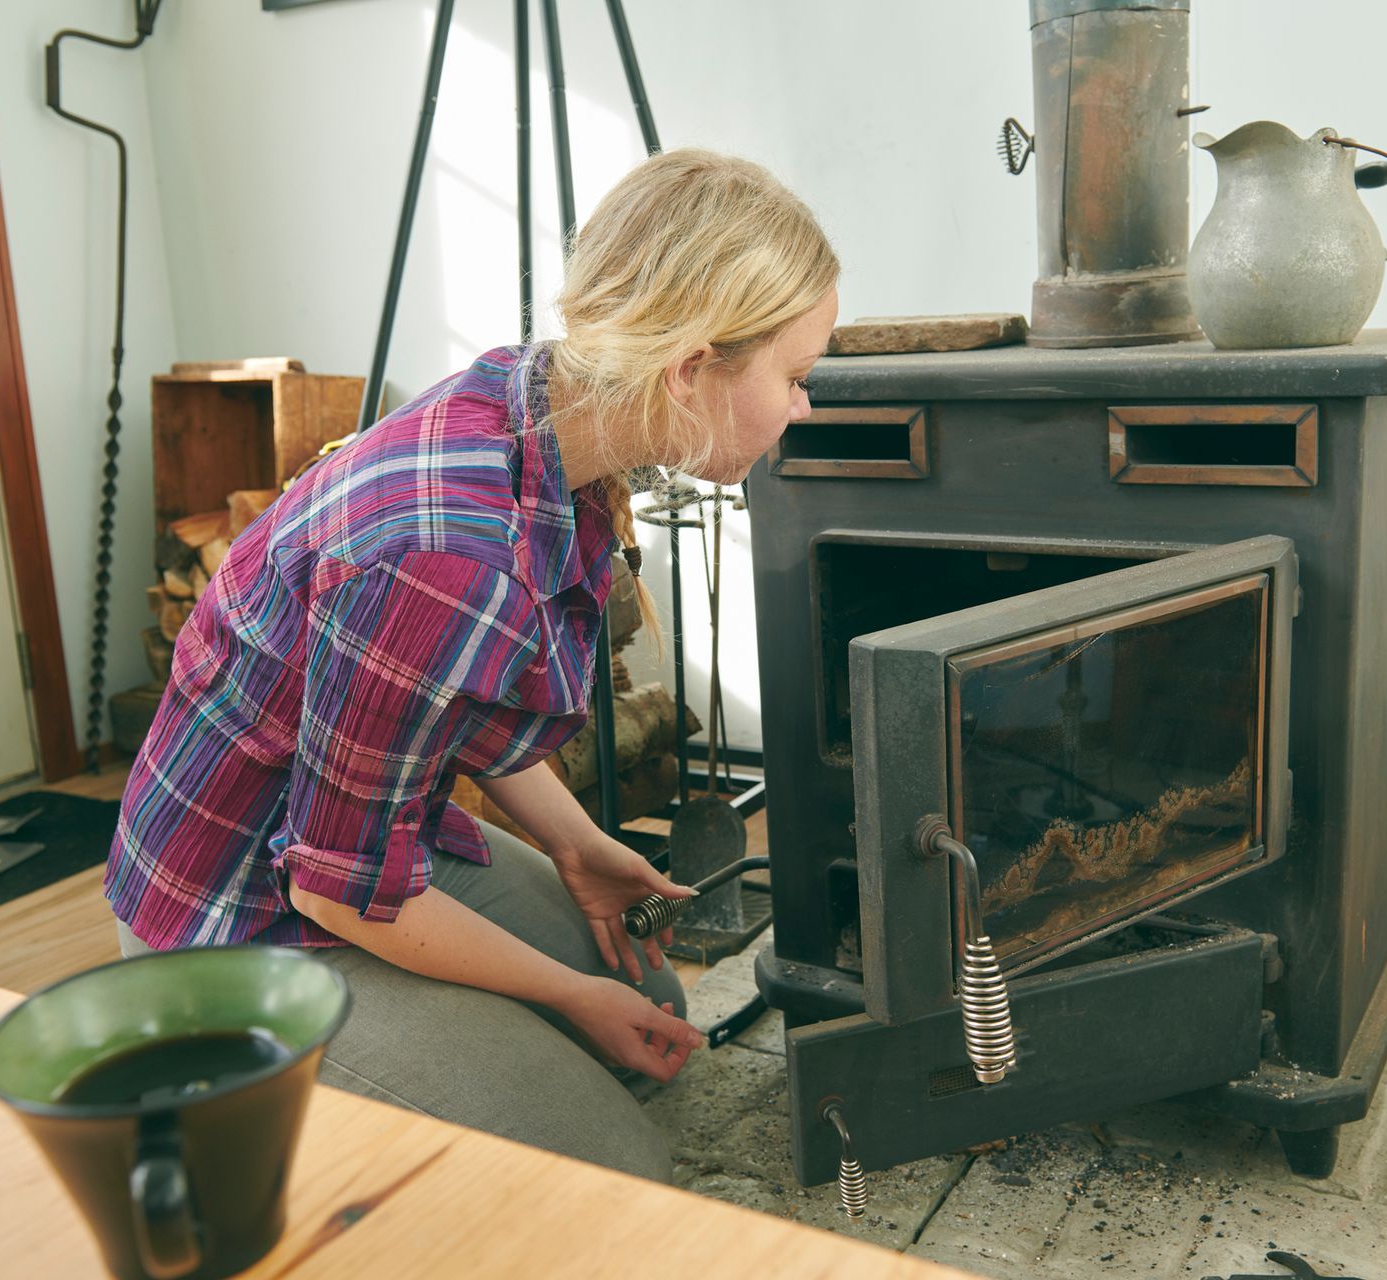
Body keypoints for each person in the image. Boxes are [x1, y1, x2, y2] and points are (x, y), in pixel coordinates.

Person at [104, 148, 840, 1182]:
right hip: (233, 914)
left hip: (340, 830)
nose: (803, 405)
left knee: (654, 1009)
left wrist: (578, 842)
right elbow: (338, 890)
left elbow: (453, 705)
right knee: (613, 1164)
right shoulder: (448, 553)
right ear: (689, 367)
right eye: (795, 375)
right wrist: (565, 993)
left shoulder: (543, 404)